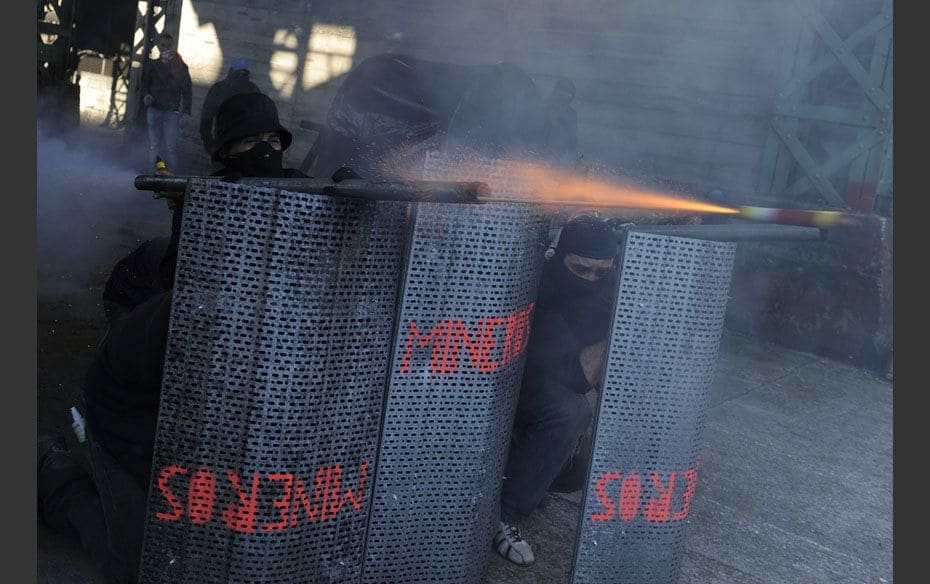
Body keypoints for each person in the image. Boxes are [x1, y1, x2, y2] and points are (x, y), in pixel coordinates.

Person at [38, 92, 309, 584]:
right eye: (252, 141)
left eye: (274, 140)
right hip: (127, 414)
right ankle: (48, 470)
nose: (267, 151)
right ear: (225, 152)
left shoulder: (293, 207)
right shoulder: (194, 275)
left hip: (189, 406)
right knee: (137, 563)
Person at [493, 215, 619, 566]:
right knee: (570, 412)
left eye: (601, 272)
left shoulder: (606, 282)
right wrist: (621, 329)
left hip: (549, 391)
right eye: (581, 270)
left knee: (575, 471)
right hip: (513, 393)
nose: (592, 280)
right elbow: (573, 377)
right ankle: (506, 515)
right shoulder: (544, 286)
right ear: (560, 256)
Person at [141, 32, 192, 173]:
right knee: (155, 146)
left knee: (170, 147)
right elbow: (145, 84)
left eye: (168, 46)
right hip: (155, 108)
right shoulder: (153, 65)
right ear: (159, 46)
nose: (165, 48)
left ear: (173, 46)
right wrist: (147, 95)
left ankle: (173, 179)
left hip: (171, 112)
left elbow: (187, 89)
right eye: (162, 45)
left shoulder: (180, 67)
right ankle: (154, 174)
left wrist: (187, 110)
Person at [198, 58, 262, 158]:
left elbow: (260, 118)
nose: (241, 75)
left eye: (243, 72)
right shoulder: (219, 88)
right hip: (224, 143)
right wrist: (208, 142)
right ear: (232, 71)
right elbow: (207, 117)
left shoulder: (252, 89)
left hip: (243, 143)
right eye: (239, 72)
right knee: (221, 170)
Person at [538, 78, 579, 167]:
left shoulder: (571, 115)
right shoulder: (543, 107)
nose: (565, 96)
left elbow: (571, 139)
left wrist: (556, 124)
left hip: (560, 157)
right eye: (562, 92)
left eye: (568, 94)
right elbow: (534, 132)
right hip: (539, 154)